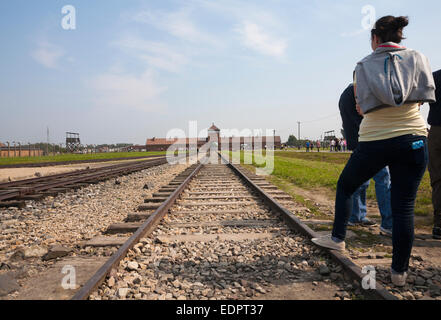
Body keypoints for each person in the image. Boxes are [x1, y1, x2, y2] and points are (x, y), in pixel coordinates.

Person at [312, 16, 436, 286]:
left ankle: (337, 239)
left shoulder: (363, 65)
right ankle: (399, 273)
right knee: (404, 207)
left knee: (346, 186)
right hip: (413, 137)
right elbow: (425, 98)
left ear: (375, 39)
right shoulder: (419, 58)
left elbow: (360, 107)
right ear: (400, 36)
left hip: (376, 140)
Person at [338, 84, 393, 235]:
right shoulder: (359, 90)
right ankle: (389, 223)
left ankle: (356, 215)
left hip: (360, 139)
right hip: (369, 139)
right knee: (383, 178)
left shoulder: (349, 91)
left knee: (362, 180)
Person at [428, 70, 441, 239]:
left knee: (438, 178)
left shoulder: (434, 76)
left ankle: (439, 224)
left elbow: (418, 102)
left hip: (437, 130)